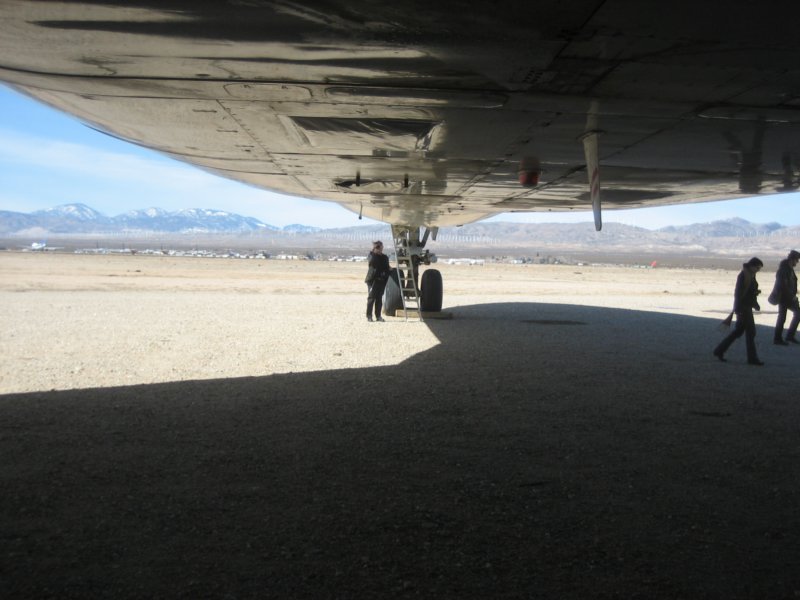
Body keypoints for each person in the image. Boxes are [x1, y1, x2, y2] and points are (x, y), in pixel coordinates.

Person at [714, 257, 764, 365]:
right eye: (757, 268)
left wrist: (755, 301)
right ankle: (752, 358)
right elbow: (738, 294)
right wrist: (739, 308)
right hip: (743, 308)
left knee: (739, 331)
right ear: (752, 266)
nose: (758, 270)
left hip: (745, 307)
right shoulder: (744, 275)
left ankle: (719, 351)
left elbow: (749, 292)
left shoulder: (750, 274)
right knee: (750, 332)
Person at [770, 249, 800, 345]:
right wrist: (792, 296)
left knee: (795, 315)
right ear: (792, 259)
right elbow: (783, 285)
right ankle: (778, 338)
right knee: (782, 318)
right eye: (796, 260)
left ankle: (788, 336)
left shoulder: (789, 269)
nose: (797, 262)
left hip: (789, 297)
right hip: (784, 298)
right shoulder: (783, 270)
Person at [365, 240, 391, 322]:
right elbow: (372, 261)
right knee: (371, 298)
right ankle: (369, 316)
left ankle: (378, 316)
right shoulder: (372, 256)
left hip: (381, 281)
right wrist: (373, 252)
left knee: (379, 299)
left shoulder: (384, 257)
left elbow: (387, 268)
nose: (380, 249)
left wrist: (387, 273)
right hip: (373, 281)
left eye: (380, 247)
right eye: (377, 247)